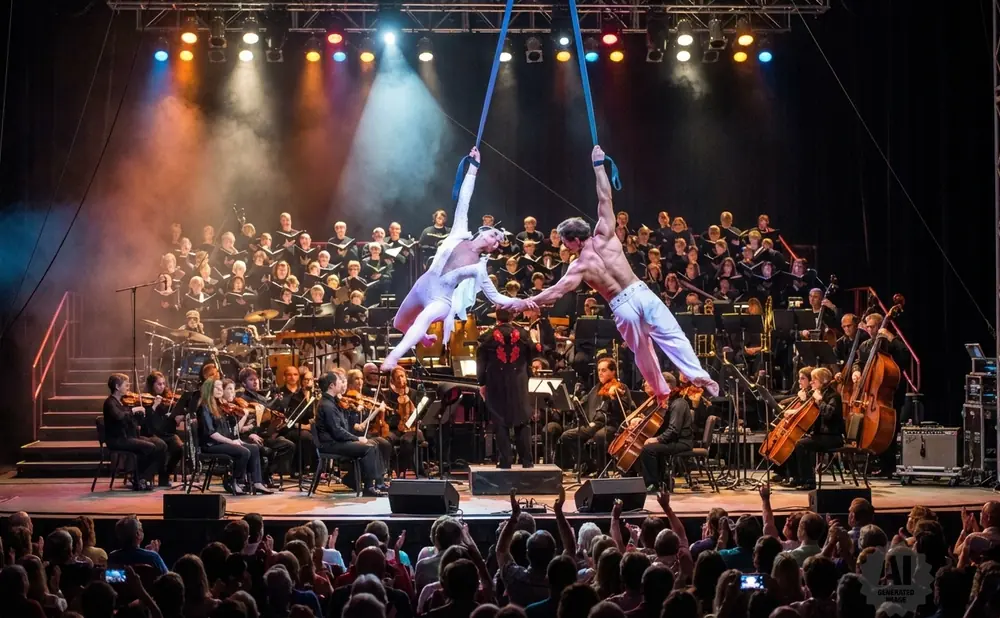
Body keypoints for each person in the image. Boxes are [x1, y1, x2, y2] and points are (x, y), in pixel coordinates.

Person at [521, 146, 718, 404]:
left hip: (621, 304)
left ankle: (661, 392)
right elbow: (605, 197)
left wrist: (525, 303)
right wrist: (598, 165)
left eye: (565, 243)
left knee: (642, 352)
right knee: (673, 336)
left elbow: (556, 292)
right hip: (640, 292)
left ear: (573, 241)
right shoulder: (606, 234)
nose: (563, 247)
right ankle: (701, 378)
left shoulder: (579, 266)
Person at [382, 148, 523, 371]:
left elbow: (496, 296)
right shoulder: (459, 231)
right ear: (483, 231)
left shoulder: (478, 267)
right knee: (400, 323)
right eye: (494, 234)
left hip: (441, 300)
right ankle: (424, 338)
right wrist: (473, 169)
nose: (495, 240)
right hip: (423, 285)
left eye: (498, 242)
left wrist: (525, 302)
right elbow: (464, 199)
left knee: (423, 319)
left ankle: (392, 358)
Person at [477, 307, 539, 468]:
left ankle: (505, 460)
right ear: (512, 316)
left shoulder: (487, 336)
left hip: (496, 382)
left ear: (496, 317)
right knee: (522, 420)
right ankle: (527, 460)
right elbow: (532, 355)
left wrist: (481, 383)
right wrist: (528, 375)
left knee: (500, 421)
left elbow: (481, 362)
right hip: (518, 382)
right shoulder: (524, 334)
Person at [313, 369, 387, 496]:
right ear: (332, 385)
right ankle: (369, 487)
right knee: (369, 447)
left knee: (374, 443)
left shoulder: (332, 402)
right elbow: (337, 432)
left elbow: (341, 427)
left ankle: (376, 483)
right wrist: (357, 439)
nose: (342, 385)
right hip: (331, 444)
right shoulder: (327, 405)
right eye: (339, 382)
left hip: (334, 442)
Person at [196, 378, 272, 495]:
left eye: (221, 387)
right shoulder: (204, 407)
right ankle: (233, 480)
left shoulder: (220, 406)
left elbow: (227, 430)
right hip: (211, 445)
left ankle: (257, 482)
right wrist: (231, 442)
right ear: (209, 389)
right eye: (217, 387)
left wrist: (235, 439)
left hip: (223, 442)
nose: (220, 390)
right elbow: (211, 433)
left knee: (254, 448)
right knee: (244, 452)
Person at [102, 373, 167, 491]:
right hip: (118, 440)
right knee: (150, 447)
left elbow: (129, 420)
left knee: (161, 445)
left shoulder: (121, 402)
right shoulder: (110, 403)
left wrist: (139, 418)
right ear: (117, 387)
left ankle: (142, 477)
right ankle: (139, 478)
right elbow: (119, 417)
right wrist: (133, 410)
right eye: (126, 385)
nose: (128, 387)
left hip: (129, 436)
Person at [788, 367, 844, 490]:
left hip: (832, 437)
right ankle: (797, 478)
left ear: (823, 381)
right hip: (820, 434)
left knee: (801, 445)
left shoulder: (833, 396)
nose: (811, 382)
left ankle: (809, 481)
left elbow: (829, 414)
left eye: (814, 380)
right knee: (793, 440)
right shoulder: (818, 394)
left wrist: (819, 401)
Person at [638, 372, 694, 491]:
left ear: (667, 386)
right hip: (673, 440)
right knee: (648, 446)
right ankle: (662, 480)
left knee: (648, 449)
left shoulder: (679, 403)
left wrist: (657, 439)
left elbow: (673, 431)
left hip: (682, 442)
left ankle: (653, 484)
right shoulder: (666, 403)